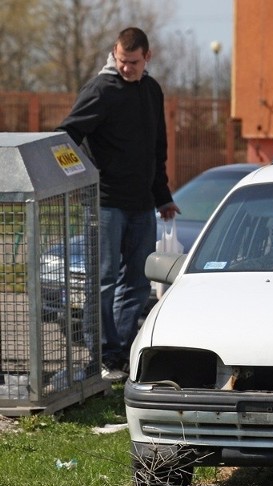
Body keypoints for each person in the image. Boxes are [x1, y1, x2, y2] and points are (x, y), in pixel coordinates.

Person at [57, 27, 179, 380]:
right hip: (105, 203)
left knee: (139, 282)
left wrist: (163, 197)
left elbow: (158, 149)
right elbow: (66, 135)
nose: (127, 68)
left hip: (142, 205)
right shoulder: (101, 89)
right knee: (105, 280)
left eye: (134, 62)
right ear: (115, 53)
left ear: (147, 57)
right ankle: (99, 354)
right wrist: (82, 177)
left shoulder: (152, 90)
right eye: (123, 61)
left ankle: (120, 352)